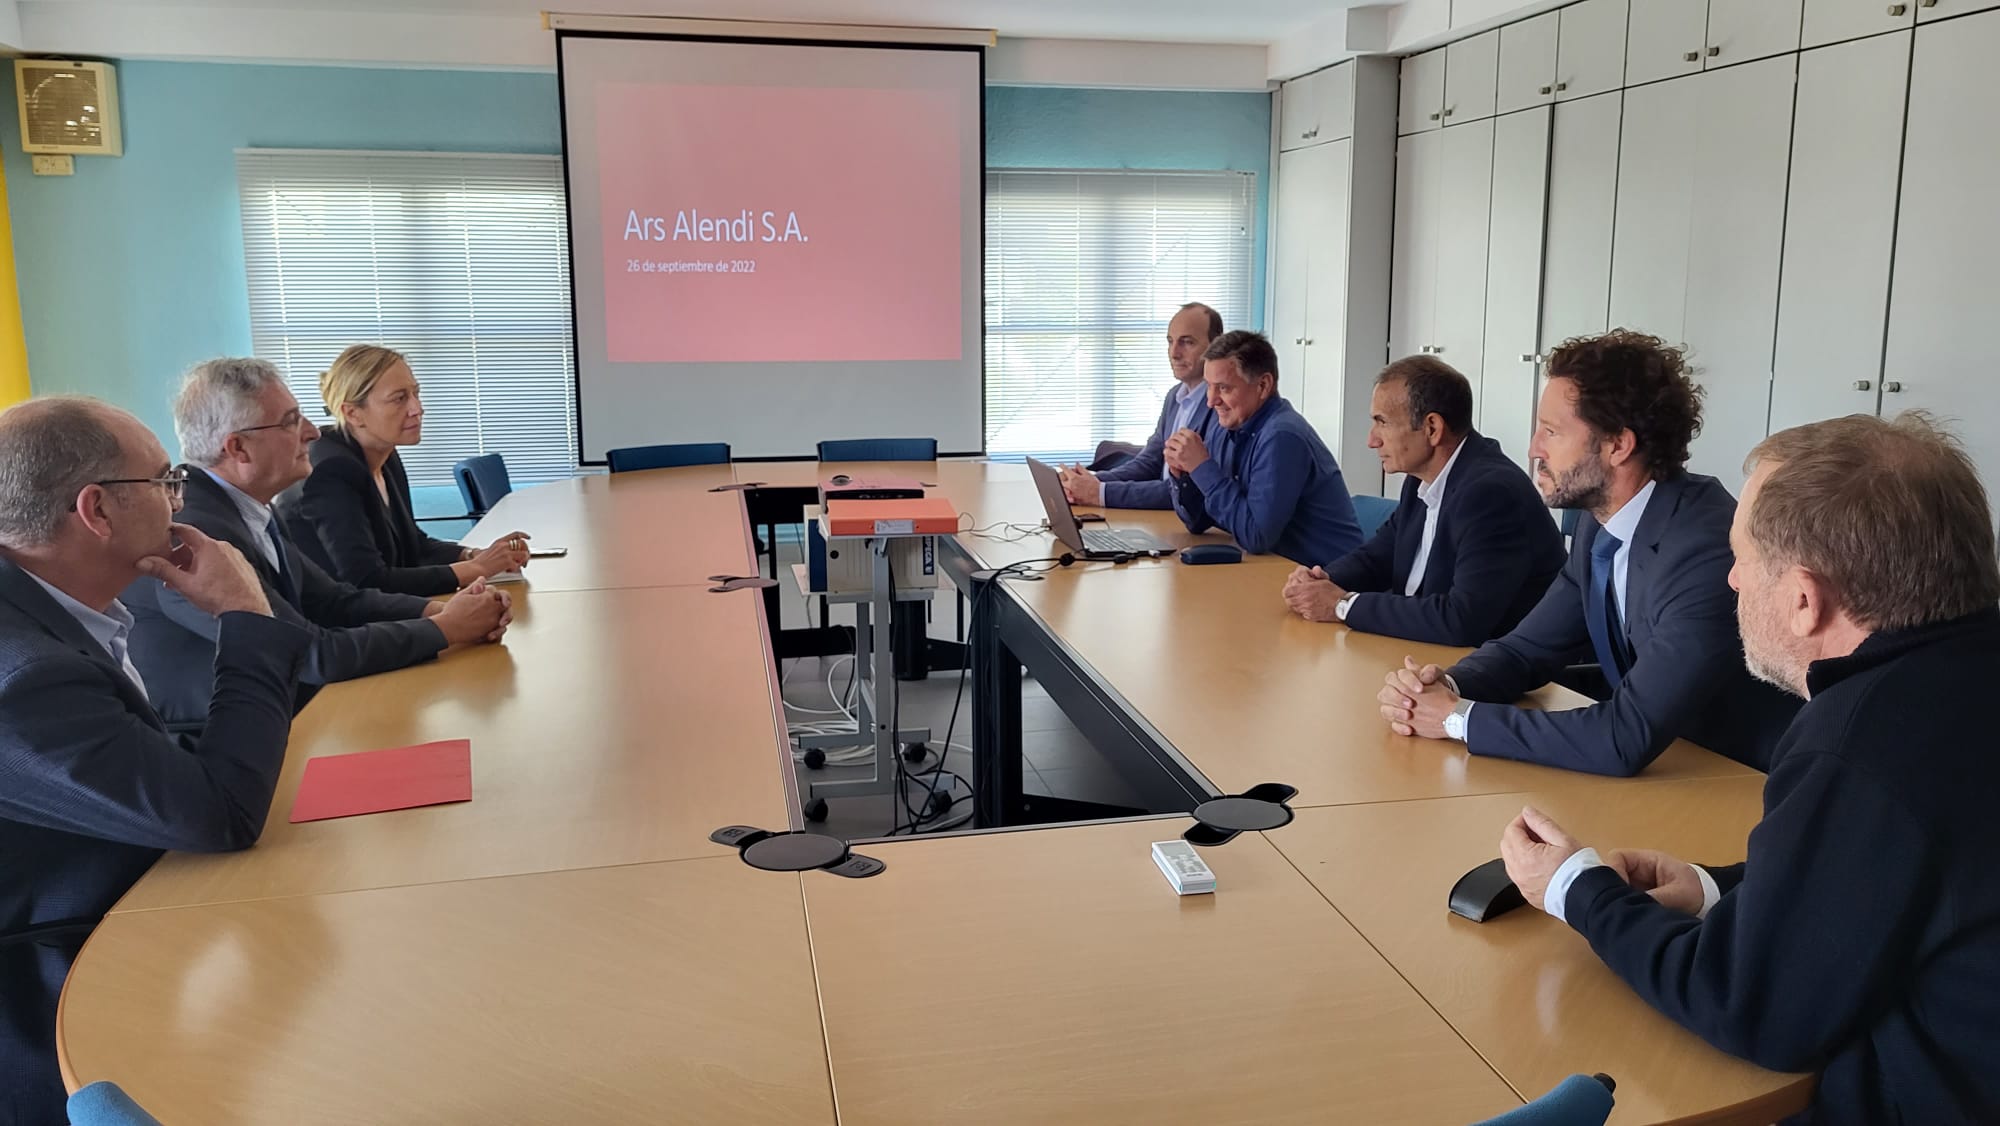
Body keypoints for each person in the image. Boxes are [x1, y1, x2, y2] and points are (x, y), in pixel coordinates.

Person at [1498, 412, 2000, 1125]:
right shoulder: (1955, 680)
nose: (1730, 578)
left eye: (1742, 558)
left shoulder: (1861, 742)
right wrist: (1712, 888)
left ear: (1803, 599)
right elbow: (1888, 875)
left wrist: (1576, 889)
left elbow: (1752, 1008)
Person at [0, 396, 310, 1123]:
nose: (179, 501)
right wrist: (243, 616)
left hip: (134, 902)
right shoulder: (27, 677)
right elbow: (222, 813)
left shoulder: (53, 608)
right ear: (97, 511)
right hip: (59, 992)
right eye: (165, 481)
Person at [1376, 330, 1796, 775]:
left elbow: (1623, 736)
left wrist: (1457, 718)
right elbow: (1525, 651)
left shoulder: (1703, 549)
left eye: (1552, 432)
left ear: (1618, 445)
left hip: (1735, 780)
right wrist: (1444, 685)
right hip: (1665, 764)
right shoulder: (1601, 527)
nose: (1535, 448)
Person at [127, 359, 513, 733]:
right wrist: (446, 628)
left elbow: (336, 601)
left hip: (289, 711)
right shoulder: (195, 533)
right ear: (239, 448)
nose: (312, 432)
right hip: (220, 741)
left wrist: (445, 610)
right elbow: (309, 655)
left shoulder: (245, 505)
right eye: (291, 421)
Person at [1282, 356, 1563, 645]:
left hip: (1484, 672)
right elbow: (1376, 559)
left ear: (1432, 428)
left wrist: (1342, 605)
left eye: (1382, 422)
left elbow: (1461, 620)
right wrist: (1320, 582)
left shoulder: (1491, 494)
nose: (1372, 440)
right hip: (1419, 653)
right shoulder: (1421, 479)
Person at [276, 345, 530, 596]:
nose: (417, 408)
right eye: (399, 398)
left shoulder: (385, 455)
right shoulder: (330, 471)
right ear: (352, 413)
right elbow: (366, 580)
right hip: (339, 626)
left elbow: (414, 546)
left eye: (415, 394)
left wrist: (472, 555)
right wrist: (473, 569)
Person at [1166, 330, 1362, 566]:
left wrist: (1202, 467)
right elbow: (1198, 522)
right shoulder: (1226, 426)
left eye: (1224, 388)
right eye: (1209, 386)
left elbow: (1256, 536)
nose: (1211, 401)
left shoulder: (1282, 436)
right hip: (1276, 569)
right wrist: (1185, 476)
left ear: (1263, 385)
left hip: (1326, 580)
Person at [1059, 303, 1221, 510]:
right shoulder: (1174, 397)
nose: (1174, 353)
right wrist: (1088, 481)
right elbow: (1148, 463)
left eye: (1187, 342)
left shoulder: (1221, 407)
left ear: (1215, 346)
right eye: (1170, 342)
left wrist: (1099, 492)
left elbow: (1188, 490)